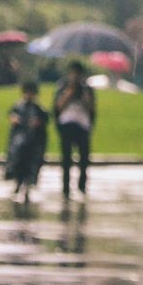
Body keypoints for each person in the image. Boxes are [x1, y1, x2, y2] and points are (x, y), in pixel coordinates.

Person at [53, 60, 97, 199]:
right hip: (67, 123)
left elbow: (91, 108)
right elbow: (58, 107)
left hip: (82, 125)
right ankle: (66, 187)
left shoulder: (87, 89)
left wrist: (83, 95)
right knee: (66, 158)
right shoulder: (63, 86)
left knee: (84, 158)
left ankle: (82, 186)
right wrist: (69, 92)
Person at [5, 81, 48, 197]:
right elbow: (11, 116)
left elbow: (44, 120)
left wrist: (37, 123)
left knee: (31, 164)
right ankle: (18, 183)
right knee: (18, 162)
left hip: (33, 142)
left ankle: (28, 184)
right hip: (20, 141)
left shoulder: (39, 109)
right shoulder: (18, 107)